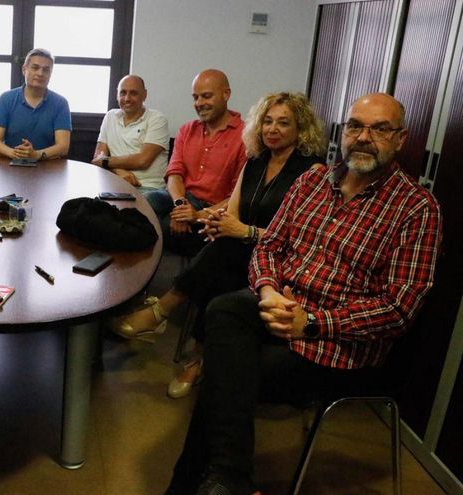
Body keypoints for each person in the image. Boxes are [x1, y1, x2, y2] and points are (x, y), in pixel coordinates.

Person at [165, 93, 442, 495]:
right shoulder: (312, 181)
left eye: (379, 129)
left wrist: (311, 323)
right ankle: (229, 479)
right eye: (355, 126)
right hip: (277, 307)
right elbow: (269, 247)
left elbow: (399, 309)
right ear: (341, 133)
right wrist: (268, 291)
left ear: (400, 139)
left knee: (226, 375)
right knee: (225, 309)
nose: (364, 137)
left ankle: (204, 483)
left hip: (335, 344)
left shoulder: (417, 208)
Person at [111, 92, 327, 399]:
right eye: (267, 121)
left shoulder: (313, 171)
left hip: (284, 260)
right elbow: (233, 210)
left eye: (283, 123)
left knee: (223, 254)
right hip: (244, 251)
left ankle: (163, 312)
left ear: (300, 128)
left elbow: (303, 240)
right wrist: (215, 222)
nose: (273, 129)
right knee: (220, 259)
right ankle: (198, 359)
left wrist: (243, 231)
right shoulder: (256, 161)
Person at [145, 69, 247, 255]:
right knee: (147, 202)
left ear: (226, 94)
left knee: (155, 227)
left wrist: (197, 216)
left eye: (206, 96)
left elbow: (237, 199)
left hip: (215, 209)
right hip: (183, 198)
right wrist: (180, 206)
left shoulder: (246, 137)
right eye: (195, 97)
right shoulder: (187, 130)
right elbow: (174, 174)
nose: (199, 103)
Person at [92, 74, 170, 213]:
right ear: (117, 94)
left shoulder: (157, 119)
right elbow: (97, 158)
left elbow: (143, 160)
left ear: (144, 95)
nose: (127, 98)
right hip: (116, 185)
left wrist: (105, 161)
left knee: (128, 211)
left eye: (133, 93)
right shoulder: (110, 117)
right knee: (85, 206)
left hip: (150, 189)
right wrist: (118, 171)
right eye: (123, 93)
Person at [0, 48, 71, 161]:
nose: (40, 73)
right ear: (24, 69)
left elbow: (63, 147)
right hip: (10, 163)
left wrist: (37, 154)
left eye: (46, 70)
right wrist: (15, 154)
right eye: (35, 68)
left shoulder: (60, 103)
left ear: (50, 74)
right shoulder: (6, 99)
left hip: (47, 165)